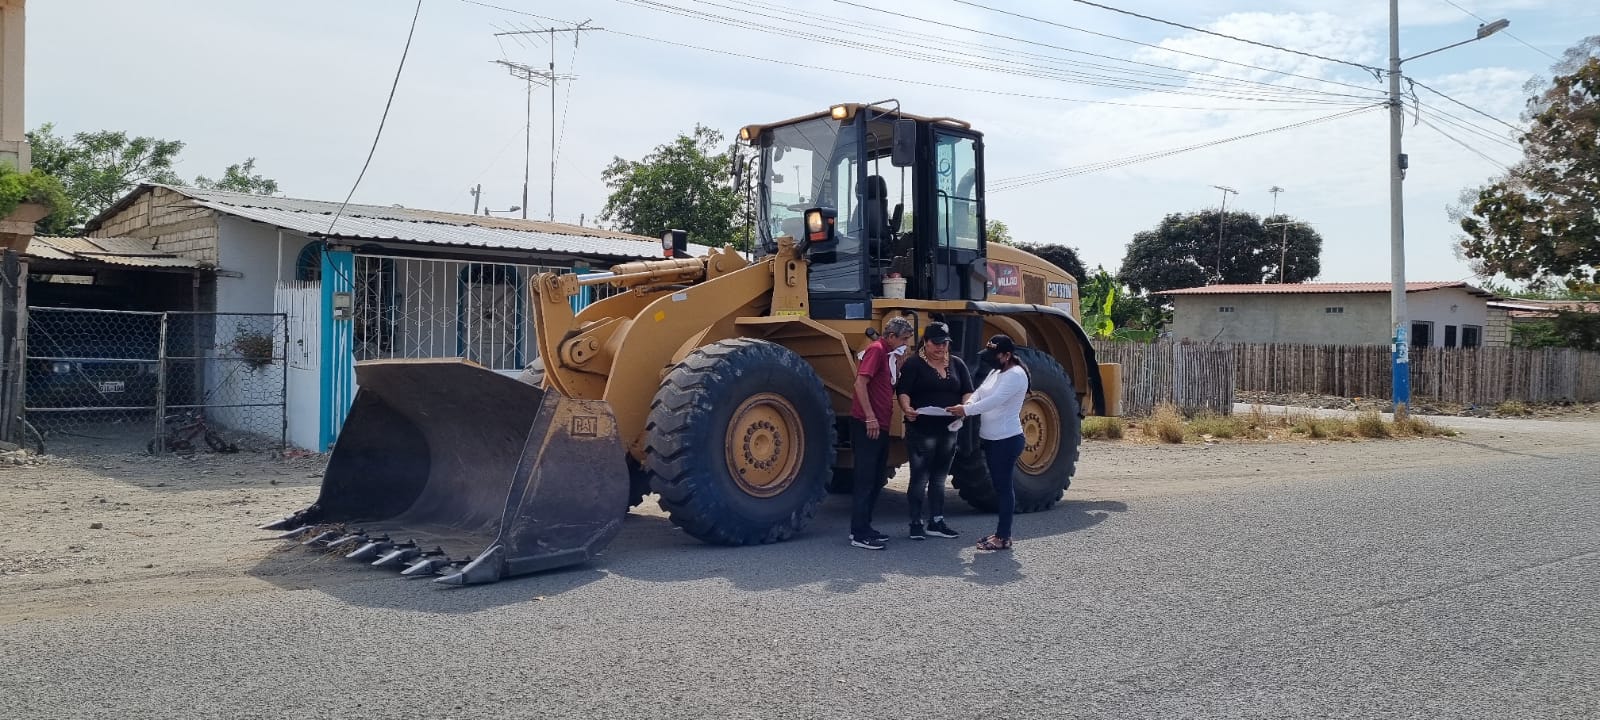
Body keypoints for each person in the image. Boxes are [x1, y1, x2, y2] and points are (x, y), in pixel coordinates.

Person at [947, 334, 1029, 551]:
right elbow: (980, 393)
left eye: (995, 355)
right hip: (993, 439)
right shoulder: (996, 372)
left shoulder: (1016, 375)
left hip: (1007, 439)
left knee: (1003, 488)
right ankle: (1001, 534)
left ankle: (1003, 536)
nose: (991, 360)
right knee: (1000, 487)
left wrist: (966, 410)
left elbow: (995, 401)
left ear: (1007, 355)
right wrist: (969, 403)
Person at [894, 322, 972, 541]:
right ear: (925, 343)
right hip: (921, 429)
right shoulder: (914, 364)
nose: (941, 347)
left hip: (949, 428)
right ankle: (915, 522)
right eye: (936, 343)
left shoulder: (957, 363)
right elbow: (903, 391)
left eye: (944, 343)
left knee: (939, 477)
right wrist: (907, 408)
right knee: (920, 477)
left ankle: (936, 521)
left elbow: (967, 390)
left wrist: (965, 407)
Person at [850, 316, 915, 550]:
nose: (905, 344)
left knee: (877, 477)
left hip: (881, 424)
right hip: (868, 424)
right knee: (866, 478)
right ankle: (859, 533)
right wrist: (869, 417)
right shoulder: (876, 350)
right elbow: (860, 384)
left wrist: (899, 365)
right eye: (904, 339)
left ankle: (865, 526)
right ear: (891, 336)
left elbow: (885, 385)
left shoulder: (889, 356)